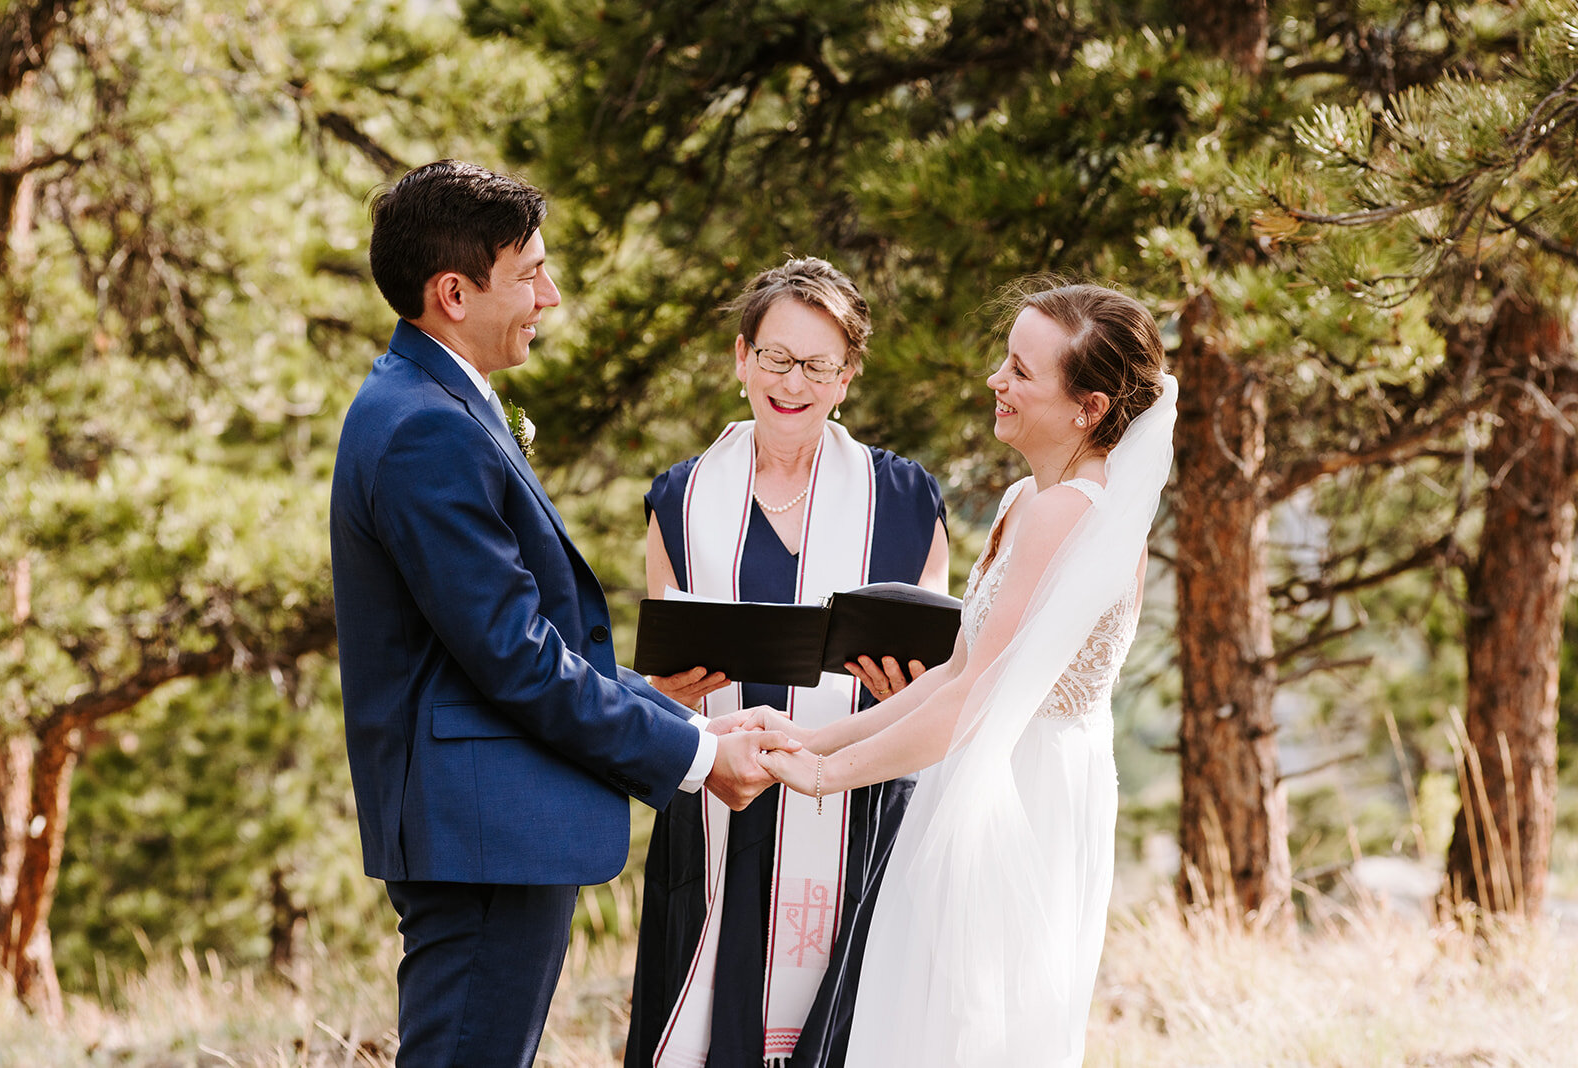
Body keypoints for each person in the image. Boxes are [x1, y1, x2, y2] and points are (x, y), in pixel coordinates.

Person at [328, 159, 794, 1068]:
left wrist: (678, 712)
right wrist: (700, 757)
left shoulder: (436, 402)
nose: (553, 294)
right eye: (531, 273)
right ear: (453, 292)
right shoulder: (426, 427)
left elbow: (498, 643)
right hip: (483, 837)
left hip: (491, 828)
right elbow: (516, 659)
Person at [755, 282, 1177, 1067]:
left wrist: (824, 775)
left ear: (1087, 407)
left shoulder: (1072, 514)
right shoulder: (1029, 497)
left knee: (965, 1027)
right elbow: (957, 668)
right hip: (986, 774)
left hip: (1024, 796)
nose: (996, 380)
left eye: (1021, 371)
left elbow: (980, 702)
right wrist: (815, 736)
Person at [625, 258, 951, 1068]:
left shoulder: (906, 499)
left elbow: (943, 667)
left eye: (817, 365)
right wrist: (669, 692)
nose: (792, 382)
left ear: (847, 377)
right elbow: (660, 668)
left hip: (855, 802)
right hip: (719, 810)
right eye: (776, 357)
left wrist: (904, 686)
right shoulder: (680, 498)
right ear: (741, 358)